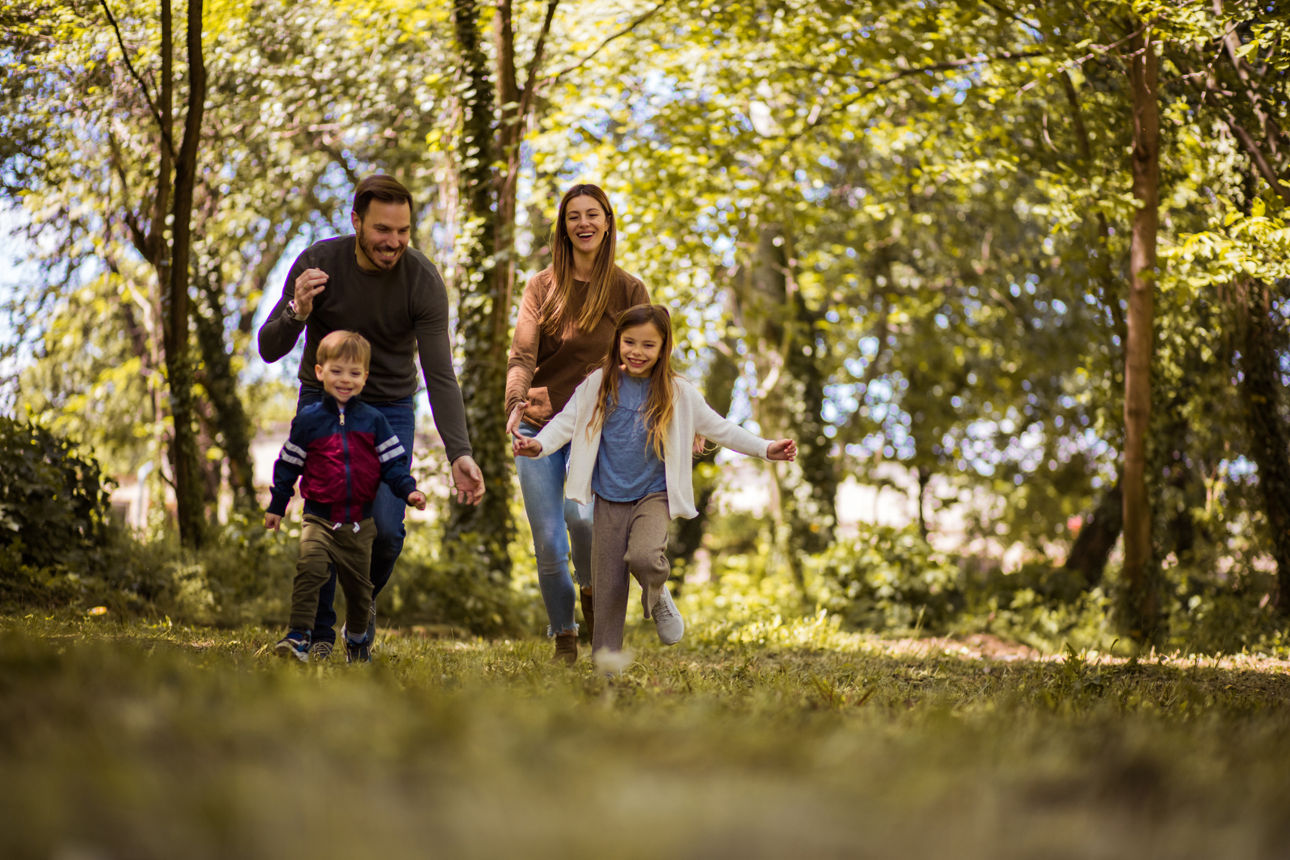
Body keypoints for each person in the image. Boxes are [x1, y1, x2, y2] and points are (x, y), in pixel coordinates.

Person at [258, 175, 484, 660]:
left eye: (403, 231)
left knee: (387, 527)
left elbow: (440, 375)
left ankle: (360, 609)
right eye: (383, 229)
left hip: (389, 408)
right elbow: (269, 348)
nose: (394, 241)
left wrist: (459, 453)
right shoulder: (319, 263)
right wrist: (298, 309)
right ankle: (317, 635)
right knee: (324, 515)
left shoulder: (421, 279)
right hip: (323, 401)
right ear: (356, 222)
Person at [514, 303, 797, 663]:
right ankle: (606, 668)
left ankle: (657, 591)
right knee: (608, 589)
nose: (637, 352)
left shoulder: (678, 393)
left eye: (648, 345)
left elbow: (721, 428)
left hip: (653, 496)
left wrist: (766, 449)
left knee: (645, 558)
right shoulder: (599, 383)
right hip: (608, 498)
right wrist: (539, 445)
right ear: (617, 341)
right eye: (629, 342)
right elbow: (566, 422)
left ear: (664, 348)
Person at [506, 183, 649, 664]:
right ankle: (564, 636)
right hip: (539, 426)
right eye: (573, 216)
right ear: (563, 228)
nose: (583, 223)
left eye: (592, 214)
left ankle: (591, 590)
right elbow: (522, 355)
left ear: (607, 222)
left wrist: (673, 416)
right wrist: (515, 402)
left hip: (597, 426)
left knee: (582, 518)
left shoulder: (628, 290)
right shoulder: (541, 287)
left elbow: (649, 357)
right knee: (548, 542)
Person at [265, 331, 428, 664]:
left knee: (359, 591)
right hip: (318, 517)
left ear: (365, 377)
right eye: (337, 371)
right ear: (320, 371)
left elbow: (393, 464)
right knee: (309, 571)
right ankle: (299, 636)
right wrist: (277, 505)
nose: (345, 379)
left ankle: (356, 638)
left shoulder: (374, 421)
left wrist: (408, 490)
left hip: (358, 522)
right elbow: (288, 464)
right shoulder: (309, 420)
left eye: (354, 373)